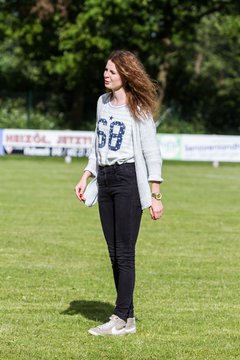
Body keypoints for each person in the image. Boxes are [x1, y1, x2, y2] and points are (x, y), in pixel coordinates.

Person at [74, 50, 164, 336]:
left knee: (125, 253)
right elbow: (96, 143)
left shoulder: (138, 108)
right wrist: (86, 174)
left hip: (128, 179)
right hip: (105, 178)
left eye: (112, 71)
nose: (106, 75)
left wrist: (155, 194)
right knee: (114, 254)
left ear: (125, 75)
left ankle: (118, 318)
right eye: (105, 70)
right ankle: (129, 318)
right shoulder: (102, 103)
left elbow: (152, 152)